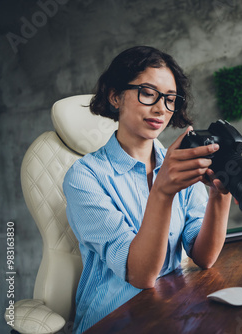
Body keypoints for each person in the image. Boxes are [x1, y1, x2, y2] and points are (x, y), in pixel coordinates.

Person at [63, 46, 232, 334]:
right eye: (147, 93)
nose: (160, 109)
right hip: (113, 318)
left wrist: (220, 194)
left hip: (170, 307)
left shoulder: (178, 162)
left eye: (169, 99)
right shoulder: (84, 176)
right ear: (115, 96)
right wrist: (162, 191)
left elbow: (203, 257)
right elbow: (140, 275)